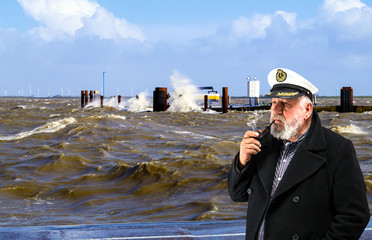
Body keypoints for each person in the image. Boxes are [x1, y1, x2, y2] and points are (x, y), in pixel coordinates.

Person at [228, 68, 370, 240]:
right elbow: (237, 195)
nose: (277, 110)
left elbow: (354, 216)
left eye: (286, 104)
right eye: (274, 103)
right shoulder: (262, 143)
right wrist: (242, 161)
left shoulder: (337, 149)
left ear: (307, 109)